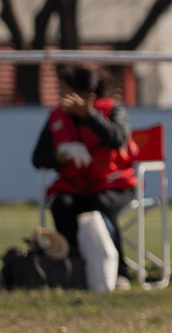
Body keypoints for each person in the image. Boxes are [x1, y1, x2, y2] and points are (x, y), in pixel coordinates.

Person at [31, 66, 135, 278]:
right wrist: (59, 155)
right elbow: (38, 158)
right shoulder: (56, 117)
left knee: (101, 203)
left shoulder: (113, 110)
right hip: (75, 187)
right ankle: (74, 269)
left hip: (113, 186)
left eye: (66, 91)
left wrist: (89, 116)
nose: (62, 97)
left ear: (87, 95)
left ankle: (119, 272)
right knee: (62, 205)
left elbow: (117, 138)